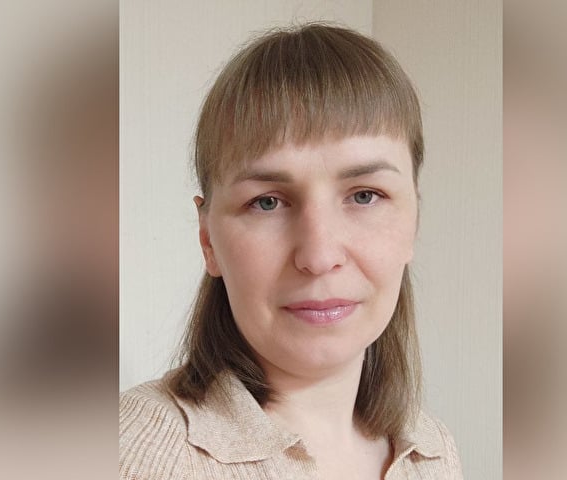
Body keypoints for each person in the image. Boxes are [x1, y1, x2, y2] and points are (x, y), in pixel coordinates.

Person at [119, 23, 463, 480]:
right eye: (267, 202)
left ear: (414, 221)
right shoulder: (134, 451)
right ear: (208, 239)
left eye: (365, 196)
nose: (319, 256)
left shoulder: (433, 452)